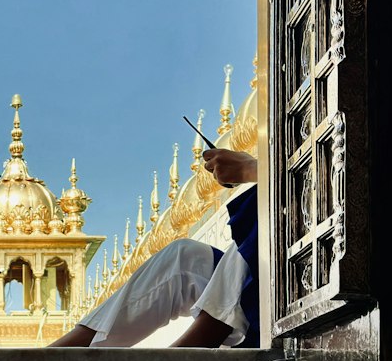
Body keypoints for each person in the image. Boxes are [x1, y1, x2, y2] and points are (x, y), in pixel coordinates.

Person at [48, 148, 259, 348]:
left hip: (267, 295)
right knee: (183, 256)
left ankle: (193, 346)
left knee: (263, 220)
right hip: (256, 294)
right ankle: (56, 354)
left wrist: (250, 168)